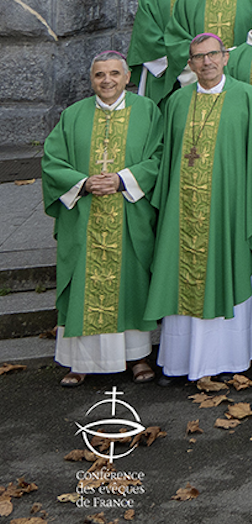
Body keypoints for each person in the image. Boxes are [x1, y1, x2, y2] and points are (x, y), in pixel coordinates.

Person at [145, 34, 252, 382]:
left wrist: (246, 204)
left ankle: (228, 360)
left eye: (212, 54)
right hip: (181, 208)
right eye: (198, 57)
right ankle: (179, 361)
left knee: (227, 268)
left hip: (229, 208)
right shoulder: (177, 101)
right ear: (190, 63)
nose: (206, 62)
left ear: (225, 57)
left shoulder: (247, 97)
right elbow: (166, 155)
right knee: (178, 274)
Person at [43, 52, 162, 387]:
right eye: (99, 75)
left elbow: (159, 156)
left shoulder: (147, 111)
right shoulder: (73, 114)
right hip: (84, 216)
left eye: (113, 74)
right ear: (91, 79)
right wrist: (83, 183)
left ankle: (137, 357)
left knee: (131, 282)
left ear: (127, 77)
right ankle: (79, 361)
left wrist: (123, 179)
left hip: (128, 213)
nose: (106, 81)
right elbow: (52, 161)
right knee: (82, 283)